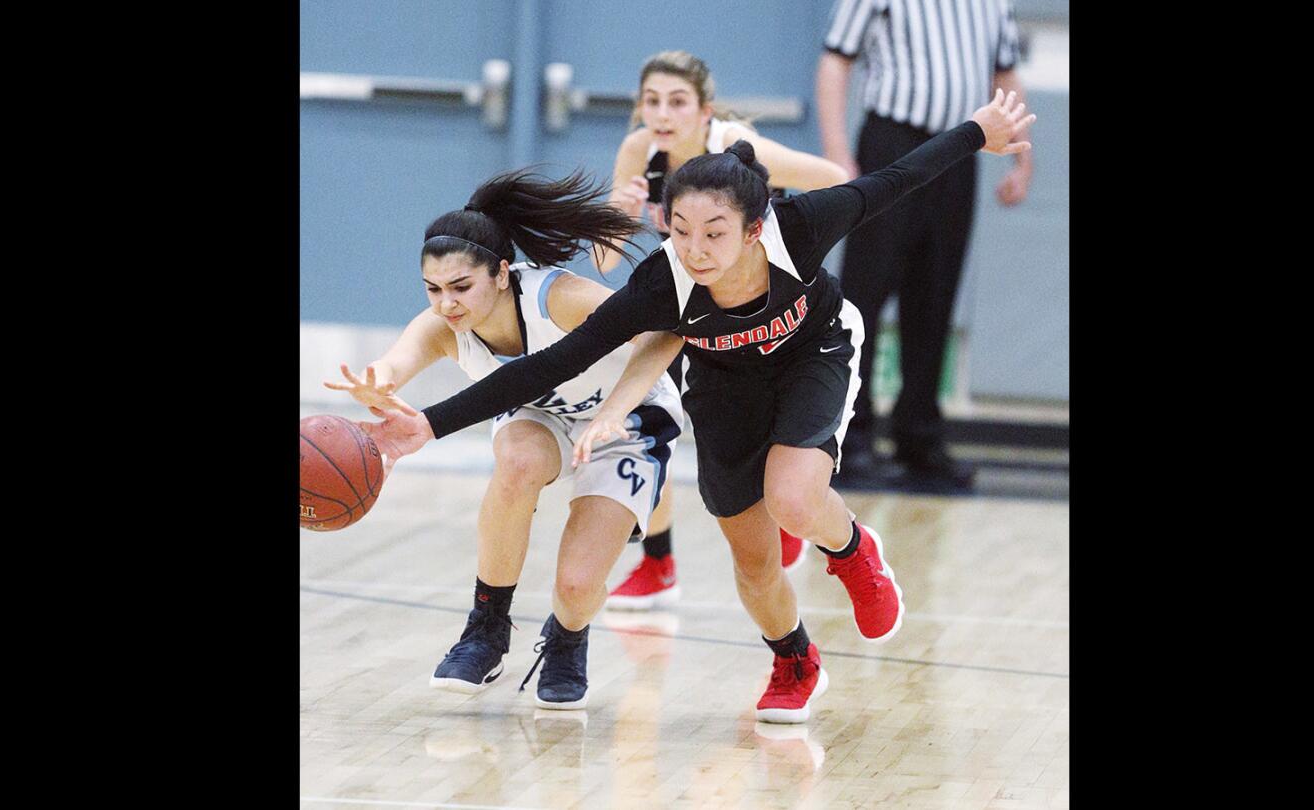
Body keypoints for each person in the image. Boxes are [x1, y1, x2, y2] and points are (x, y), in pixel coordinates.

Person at [362, 90, 1034, 723]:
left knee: (794, 497)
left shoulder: (801, 226)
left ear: (753, 228)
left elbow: (896, 178)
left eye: (715, 233)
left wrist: (980, 133)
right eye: (681, 230)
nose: (695, 249)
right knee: (752, 557)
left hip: (813, 357)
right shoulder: (663, 282)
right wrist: (429, 423)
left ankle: (855, 552)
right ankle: (796, 660)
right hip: (721, 388)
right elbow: (551, 364)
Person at [325, 168, 683, 710]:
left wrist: (616, 408)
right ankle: (486, 626)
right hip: (539, 420)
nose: (447, 303)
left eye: (461, 287)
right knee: (515, 460)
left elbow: (662, 328)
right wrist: (374, 385)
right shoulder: (442, 326)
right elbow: (394, 364)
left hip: (625, 423)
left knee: (577, 586)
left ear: (500, 273)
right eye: (433, 289)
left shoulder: (557, 299)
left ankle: (567, 636)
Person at [595, 50, 851, 608]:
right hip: (694, 311)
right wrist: (618, 212)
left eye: (677, 101)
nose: (662, 113)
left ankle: (790, 520)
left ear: (704, 109)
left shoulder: (736, 146)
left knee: (771, 432)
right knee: (648, 422)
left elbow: (836, 180)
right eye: (652, 101)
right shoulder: (640, 150)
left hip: (770, 311)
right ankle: (659, 562)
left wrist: (777, 233)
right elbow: (604, 263)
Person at [816, 0, 1033, 488]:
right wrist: (836, 152)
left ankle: (920, 435)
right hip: (894, 144)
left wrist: (1022, 161)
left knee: (936, 296)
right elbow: (835, 58)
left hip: (963, 151)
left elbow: (1006, 74)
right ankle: (850, 436)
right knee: (863, 296)